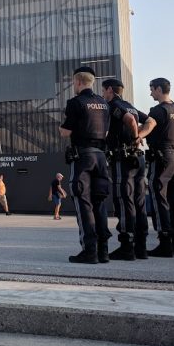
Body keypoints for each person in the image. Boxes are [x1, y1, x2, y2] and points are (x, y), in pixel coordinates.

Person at [59, 66, 111, 264]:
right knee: (99, 203)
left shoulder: (76, 102)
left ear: (78, 81)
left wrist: (62, 129)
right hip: (101, 157)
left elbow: (66, 131)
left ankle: (89, 250)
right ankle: (103, 251)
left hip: (83, 157)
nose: (73, 85)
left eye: (73, 82)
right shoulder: (103, 103)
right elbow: (105, 131)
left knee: (83, 203)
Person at [101, 78, 156, 261]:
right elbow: (151, 122)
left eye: (103, 91)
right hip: (138, 158)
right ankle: (141, 247)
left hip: (123, 158)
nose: (103, 94)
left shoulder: (114, 105)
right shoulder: (129, 105)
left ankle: (127, 247)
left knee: (124, 202)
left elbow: (130, 120)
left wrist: (133, 138)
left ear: (110, 90)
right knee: (139, 203)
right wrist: (140, 136)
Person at [146, 78, 174, 257]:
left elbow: (149, 126)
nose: (150, 93)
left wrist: (137, 135)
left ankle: (165, 243)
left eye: (151, 90)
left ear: (158, 89)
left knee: (159, 198)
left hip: (161, 157)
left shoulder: (158, 110)